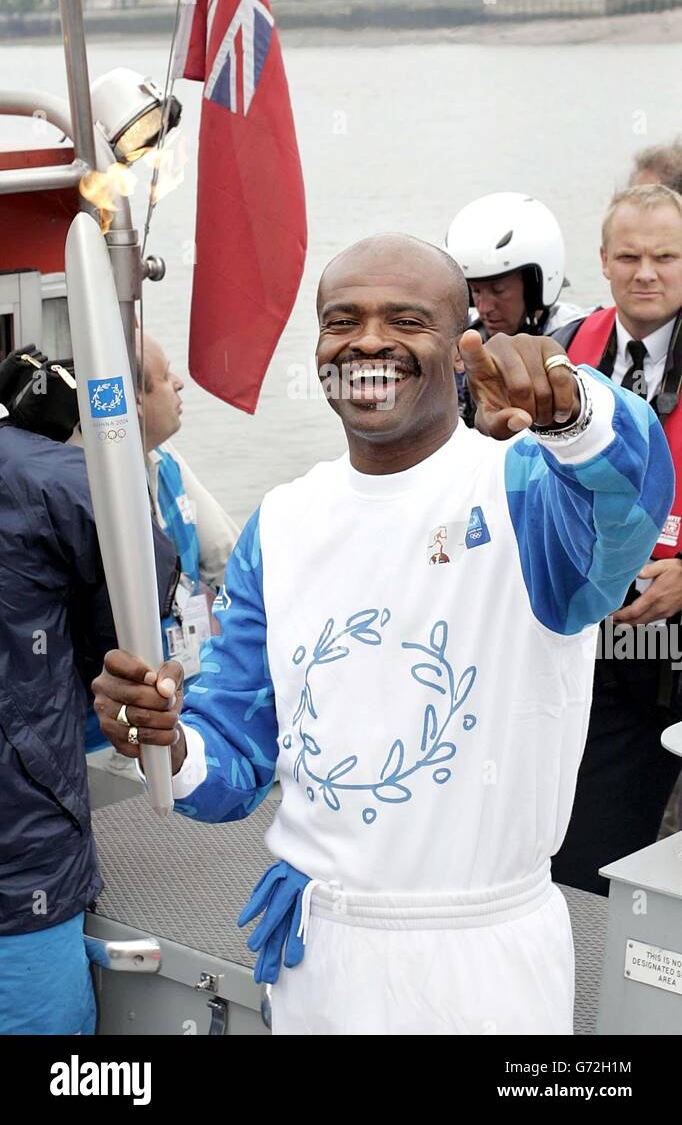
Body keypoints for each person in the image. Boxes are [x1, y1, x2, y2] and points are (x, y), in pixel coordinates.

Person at [93, 233, 672, 1037]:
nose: (368, 340)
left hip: (482, 963)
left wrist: (574, 412)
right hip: (318, 957)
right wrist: (169, 742)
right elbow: (235, 755)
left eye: (408, 320)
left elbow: (635, 495)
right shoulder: (282, 524)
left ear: (463, 349)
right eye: (342, 320)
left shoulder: (531, 494)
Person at [0, 348, 178, 1034]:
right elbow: (142, 559)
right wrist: (97, 664)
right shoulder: (43, 474)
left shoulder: (36, 476)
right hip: (23, 873)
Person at [551, 184, 682, 894]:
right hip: (611, 642)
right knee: (583, 860)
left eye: (666, 256)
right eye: (629, 256)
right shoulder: (566, 352)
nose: (647, 273)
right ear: (602, 260)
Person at [137, 332, 239, 669]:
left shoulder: (166, 460)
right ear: (136, 399)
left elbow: (225, 556)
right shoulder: (86, 489)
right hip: (134, 698)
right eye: (165, 376)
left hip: (193, 676)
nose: (179, 383)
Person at [444, 193, 588, 426]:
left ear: (533, 286)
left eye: (499, 290)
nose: (484, 308)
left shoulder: (581, 334)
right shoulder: (462, 336)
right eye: (476, 292)